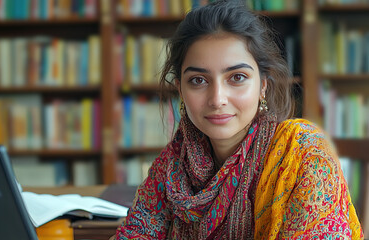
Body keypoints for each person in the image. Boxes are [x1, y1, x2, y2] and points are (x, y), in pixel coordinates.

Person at [114, 0, 363, 239]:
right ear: (180, 90)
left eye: (237, 77)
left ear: (262, 86)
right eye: (198, 80)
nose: (217, 99)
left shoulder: (304, 154)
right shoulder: (173, 167)